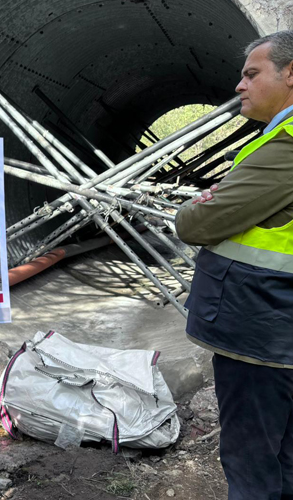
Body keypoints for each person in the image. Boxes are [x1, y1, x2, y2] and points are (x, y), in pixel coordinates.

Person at [176, 31, 293, 500]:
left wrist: (200, 206)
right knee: (283, 457)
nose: (239, 86)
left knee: (252, 463)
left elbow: (196, 223)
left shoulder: (285, 149)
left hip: (261, 331)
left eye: (251, 74)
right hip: (277, 330)